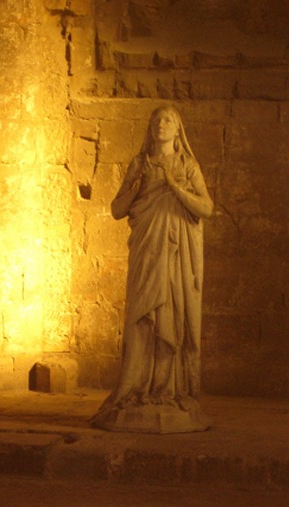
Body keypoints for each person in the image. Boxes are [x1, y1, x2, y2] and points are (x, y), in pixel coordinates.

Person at [91, 105, 214, 433]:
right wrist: (138, 186)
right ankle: (135, 388)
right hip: (146, 252)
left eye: (169, 120)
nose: (162, 124)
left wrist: (175, 187)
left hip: (176, 256)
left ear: (178, 130)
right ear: (150, 128)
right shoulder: (139, 164)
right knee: (141, 318)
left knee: (171, 315)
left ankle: (168, 391)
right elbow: (117, 210)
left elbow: (207, 207)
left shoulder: (187, 166)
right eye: (157, 120)